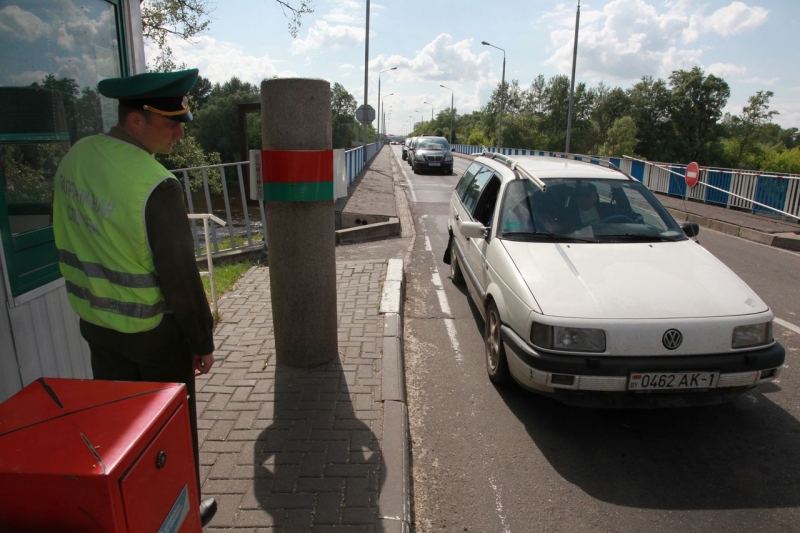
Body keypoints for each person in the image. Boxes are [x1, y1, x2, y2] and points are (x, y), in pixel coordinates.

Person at [51, 68, 217, 526]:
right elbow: (180, 279)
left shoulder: (76, 157)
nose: (180, 133)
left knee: (120, 431)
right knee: (170, 436)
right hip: (154, 335)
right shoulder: (155, 184)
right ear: (136, 120)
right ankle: (184, 514)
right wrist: (201, 340)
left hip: (96, 325)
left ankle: (132, 514)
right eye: (170, 123)